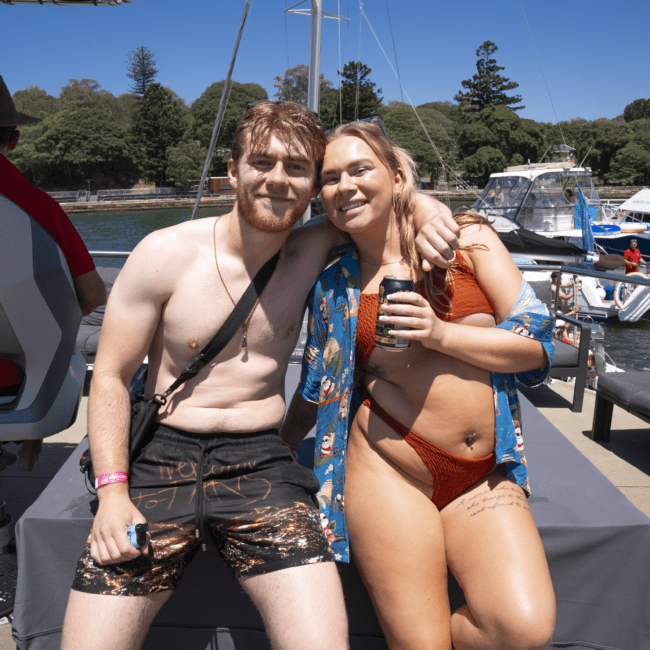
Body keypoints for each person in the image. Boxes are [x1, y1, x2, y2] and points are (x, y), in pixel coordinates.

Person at [60, 101, 459, 650]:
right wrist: (112, 494)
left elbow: (385, 203)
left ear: (313, 186)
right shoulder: (164, 254)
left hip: (261, 462)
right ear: (233, 172)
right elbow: (109, 374)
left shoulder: (314, 247)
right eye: (261, 163)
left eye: (296, 168)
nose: (278, 179)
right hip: (159, 460)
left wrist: (432, 208)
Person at [281, 121, 556, 650]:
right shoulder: (337, 280)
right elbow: (318, 382)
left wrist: (439, 334)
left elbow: (538, 344)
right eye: (330, 178)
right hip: (389, 469)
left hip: (482, 471)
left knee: (521, 629)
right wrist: (282, 445)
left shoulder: (469, 239)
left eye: (361, 169)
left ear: (399, 175)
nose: (346, 185)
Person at [0, 75, 106, 471]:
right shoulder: (38, 210)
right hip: (15, 387)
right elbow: (94, 295)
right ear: (14, 140)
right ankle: (26, 444)